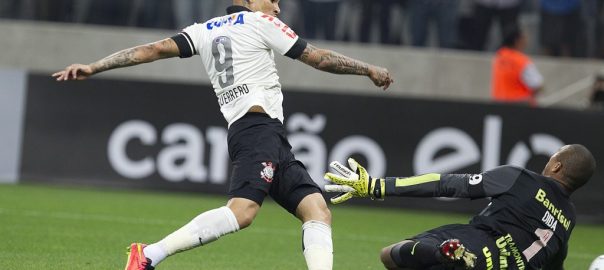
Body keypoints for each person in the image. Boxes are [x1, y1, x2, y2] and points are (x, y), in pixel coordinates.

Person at [52, 0, 394, 269]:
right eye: (272, 0)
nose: (277, 8)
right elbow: (318, 58)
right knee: (242, 212)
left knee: (316, 209)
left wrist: (95, 66)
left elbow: (151, 50)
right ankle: (149, 254)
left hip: (265, 135)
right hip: (257, 131)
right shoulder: (262, 22)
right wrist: (368, 68)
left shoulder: (203, 30)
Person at [324, 144, 596, 269]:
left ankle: (441, 252)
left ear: (557, 166)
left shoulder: (520, 178)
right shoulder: (568, 219)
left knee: (389, 256)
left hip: (478, 245)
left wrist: (378, 187)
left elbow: (447, 183)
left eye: (552, 158)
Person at [491, 27, 543, 106]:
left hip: (499, 104)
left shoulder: (499, 57)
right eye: (524, 38)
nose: (526, 41)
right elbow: (537, 85)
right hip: (520, 105)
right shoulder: (521, 61)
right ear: (517, 40)